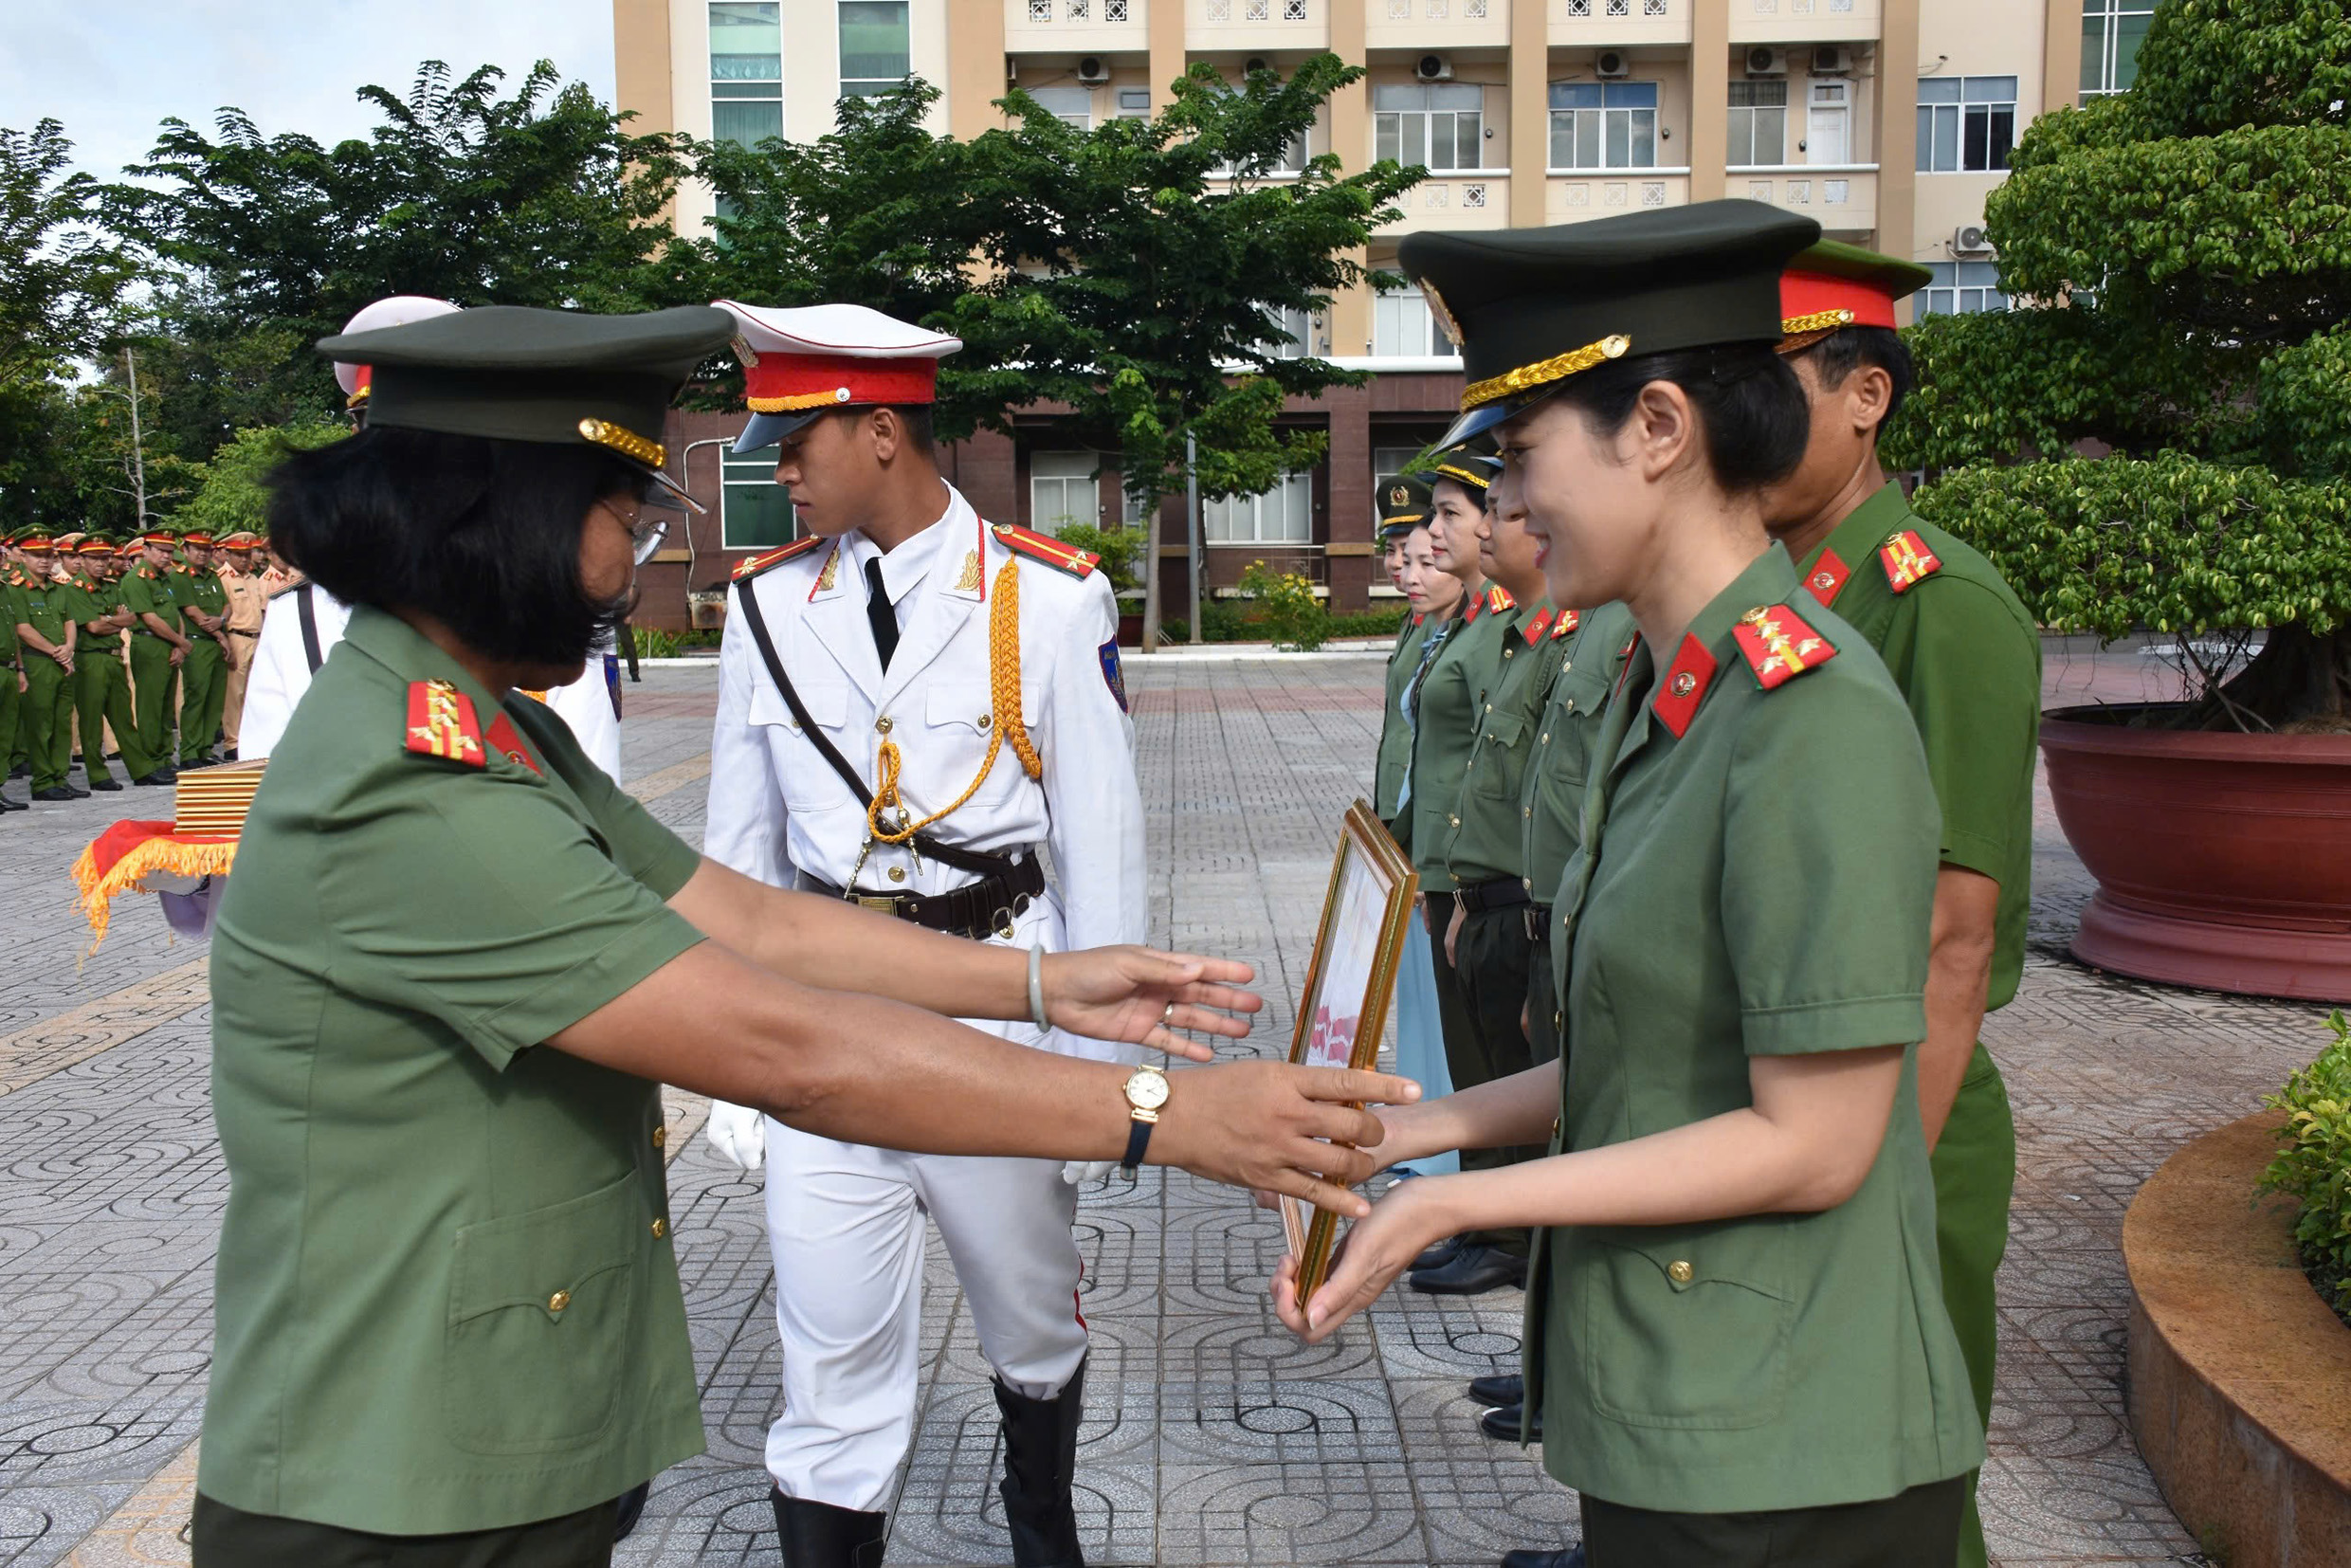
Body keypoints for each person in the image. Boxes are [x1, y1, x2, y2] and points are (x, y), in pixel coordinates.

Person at [194, 301, 1412, 1568]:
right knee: (838, 1372)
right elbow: (795, 1050)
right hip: (394, 1491)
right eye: (628, 516)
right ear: (511, 520)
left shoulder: (499, 730)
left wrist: (1048, 979)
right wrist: (1177, 1114)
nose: (629, 562)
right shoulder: (414, 781)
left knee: (1029, 1326)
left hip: (474, 1438)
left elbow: (753, 915)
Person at [1277, 201, 1984, 1568]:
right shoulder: (1670, 693)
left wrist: (1463, 1196)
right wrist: (1406, 1134)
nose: (1512, 505)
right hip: (1683, 1389)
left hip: (1787, 1441)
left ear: (1658, 429)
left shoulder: (1806, 714)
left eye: (1526, 454)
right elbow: (1641, 1055)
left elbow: (1818, 1138)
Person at [697, 300, 1146, 1568]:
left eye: (796, 439)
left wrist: (1099, 1073)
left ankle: (1039, 1515)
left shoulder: (1045, 599)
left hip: (1000, 996)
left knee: (1028, 1321)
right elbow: (740, 850)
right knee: (829, 1362)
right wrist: (729, 1052)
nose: (774, 467)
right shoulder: (767, 608)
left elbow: (1100, 841)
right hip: (824, 1018)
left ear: (882, 431)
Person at [1764, 240, 2038, 1568]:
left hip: (1897, 1112)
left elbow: (1954, 939)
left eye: (1774, 390)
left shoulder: (1946, 603)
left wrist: (1876, 1193)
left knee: (1898, 1492)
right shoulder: (1762, 598)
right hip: (1783, 1097)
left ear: (1865, 396)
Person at [239, 296, 625, 776]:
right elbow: (256, 785)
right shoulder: (298, 614)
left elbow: (590, 773)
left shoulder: (547, 581)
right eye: (384, 436)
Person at [1400, 454, 1526, 1297]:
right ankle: (1490, 1219)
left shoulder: (1512, 629)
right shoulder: (1479, 627)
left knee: (1505, 1065)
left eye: (1450, 514)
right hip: (1459, 875)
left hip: (1505, 890)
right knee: (1475, 1056)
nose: (1433, 535)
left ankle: (1507, 1230)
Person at [1373, 481, 1459, 1180]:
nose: (1405, 571)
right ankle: (1431, 1140)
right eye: (1402, 556)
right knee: (1419, 998)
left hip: (1449, 852)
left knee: (1447, 1006)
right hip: (1410, 834)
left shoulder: (1473, 629)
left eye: (1422, 555)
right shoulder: (1423, 626)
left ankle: (1445, 1151)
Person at [64, 534, 167, 790]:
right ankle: (98, 775)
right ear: (81, 559)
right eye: (94, 558)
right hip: (90, 660)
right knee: (91, 722)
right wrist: (112, 620)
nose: (101, 563)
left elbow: (131, 618)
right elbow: (93, 627)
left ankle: (141, 769)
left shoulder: (112, 586)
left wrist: (107, 619)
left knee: (123, 718)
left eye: (105, 558)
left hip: (113, 657)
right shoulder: (74, 589)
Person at [11, 529, 82, 802]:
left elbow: (69, 621)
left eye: (47, 555)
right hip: (37, 661)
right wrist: (56, 651)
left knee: (62, 721)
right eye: (36, 555)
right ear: (24, 557)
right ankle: (42, 781)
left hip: (61, 661)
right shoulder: (15, 589)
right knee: (40, 724)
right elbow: (23, 629)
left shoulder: (59, 588)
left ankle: (59, 777)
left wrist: (68, 648)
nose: (43, 560)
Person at [121, 526, 192, 766]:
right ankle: (151, 758)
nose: (166, 555)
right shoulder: (136, 578)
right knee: (150, 705)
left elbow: (174, 613)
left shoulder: (165, 578)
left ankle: (164, 756)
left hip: (169, 644)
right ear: (145, 550)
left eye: (169, 551)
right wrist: (181, 642)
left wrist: (179, 646)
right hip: (149, 643)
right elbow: (150, 618)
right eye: (160, 550)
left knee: (165, 705)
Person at [171, 528, 235, 767]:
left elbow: (226, 606)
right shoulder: (180, 576)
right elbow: (194, 613)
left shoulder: (213, 575)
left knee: (214, 698)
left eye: (207, 549)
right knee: (196, 696)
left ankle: (205, 747)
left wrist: (222, 621)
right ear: (185, 550)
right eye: (197, 549)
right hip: (197, 642)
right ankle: (189, 751)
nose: (203, 554)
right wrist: (222, 635)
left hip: (216, 642)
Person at [218, 531, 270, 755]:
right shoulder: (222, 577)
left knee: (254, 692)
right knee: (234, 693)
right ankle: (233, 742)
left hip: (257, 637)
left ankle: (250, 739)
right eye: (239, 554)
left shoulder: (253, 578)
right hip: (236, 636)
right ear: (228, 553)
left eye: (247, 554)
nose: (244, 559)